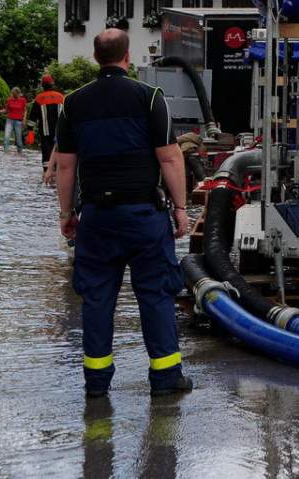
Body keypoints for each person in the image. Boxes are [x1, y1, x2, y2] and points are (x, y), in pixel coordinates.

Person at [56, 28, 191, 398]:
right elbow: (170, 158)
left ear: (95, 58)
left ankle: (97, 383)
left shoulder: (73, 103)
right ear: (127, 57)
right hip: (144, 215)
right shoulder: (150, 98)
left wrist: (66, 214)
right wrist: (181, 209)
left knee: (97, 298)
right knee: (156, 293)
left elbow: (65, 166)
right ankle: (166, 378)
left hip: (97, 217)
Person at [32, 74, 66, 169]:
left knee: (46, 150)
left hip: (45, 131)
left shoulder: (39, 98)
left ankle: (46, 171)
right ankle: (57, 168)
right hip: (59, 131)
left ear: (43, 85)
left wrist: (30, 130)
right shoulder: (61, 97)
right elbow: (67, 114)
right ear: (52, 84)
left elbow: (33, 116)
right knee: (58, 149)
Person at [4, 86, 28, 154]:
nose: (12, 95)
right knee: (6, 137)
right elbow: (6, 110)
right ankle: (5, 153)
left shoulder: (23, 100)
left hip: (18, 121)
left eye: (14, 94)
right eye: (12, 94)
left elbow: (25, 110)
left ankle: (20, 153)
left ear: (18, 93)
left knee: (18, 139)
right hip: (9, 120)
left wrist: (24, 119)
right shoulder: (9, 100)